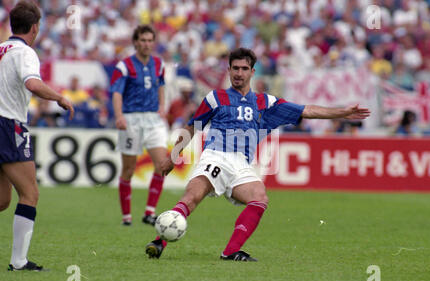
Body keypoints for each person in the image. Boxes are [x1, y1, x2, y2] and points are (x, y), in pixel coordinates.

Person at [145, 48, 370, 261]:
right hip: (216, 156)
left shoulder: (266, 102)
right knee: (192, 197)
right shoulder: (215, 97)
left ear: (252, 72)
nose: (239, 73)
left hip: (241, 163)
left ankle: (231, 252)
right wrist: (173, 156)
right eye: (235, 68)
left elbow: (307, 110)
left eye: (244, 69)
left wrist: (342, 112)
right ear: (229, 70)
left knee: (259, 198)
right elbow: (192, 127)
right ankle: (158, 242)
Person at [0, 1, 74, 271]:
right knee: (30, 193)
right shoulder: (25, 52)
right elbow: (32, 83)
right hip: (8, 126)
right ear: (35, 27)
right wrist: (59, 98)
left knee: (2, 201)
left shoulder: (1, 49)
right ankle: (18, 261)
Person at [110, 25, 168, 226]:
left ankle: (149, 212)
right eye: (143, 40)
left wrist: (162, 107)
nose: (146, 44)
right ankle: (126, 217)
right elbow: (117, 92)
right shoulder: (124, 66)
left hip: (153, 120)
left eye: (150, 40)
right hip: (131, 119)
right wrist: (119, 116)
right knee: (129, 169)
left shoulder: (159, 64)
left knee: (162, 165)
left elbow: (161, 86)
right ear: (135, 42)